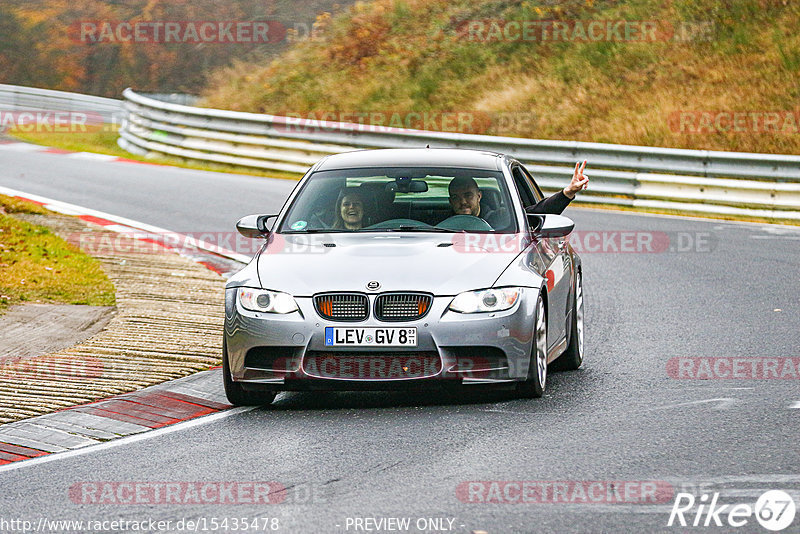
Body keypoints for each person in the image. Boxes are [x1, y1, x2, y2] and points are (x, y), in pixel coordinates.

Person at [448, 160, 590, 223]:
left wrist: (568, 192)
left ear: (479, 196)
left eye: (468, 195)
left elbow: (539, 211)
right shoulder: (435, 222)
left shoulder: (504, 219)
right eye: (455, 197)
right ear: (449, 201)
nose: (463, 202)